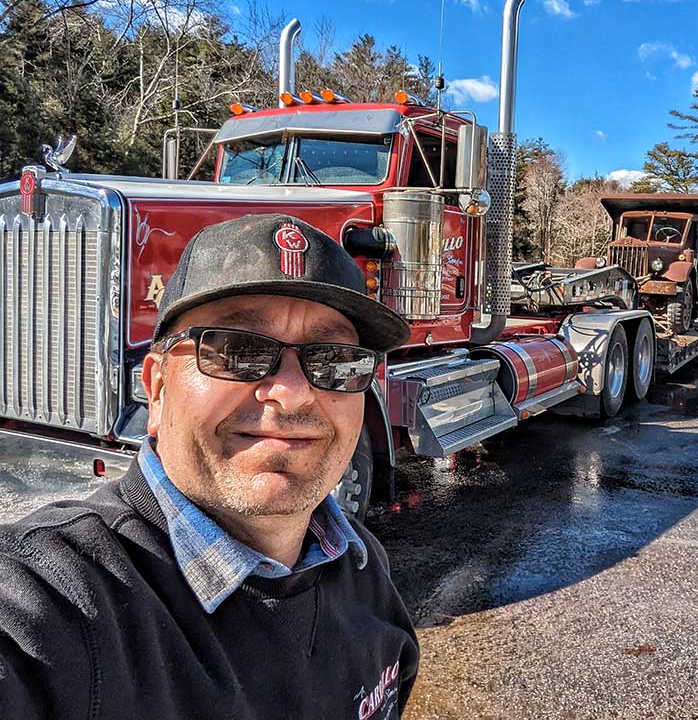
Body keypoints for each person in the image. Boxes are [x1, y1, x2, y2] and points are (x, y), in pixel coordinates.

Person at [0, 214, 420, 719]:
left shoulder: (362, 565)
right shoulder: (58, 602)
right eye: (237, 351)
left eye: (334, 361)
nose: (291, 393)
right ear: (157, 390)